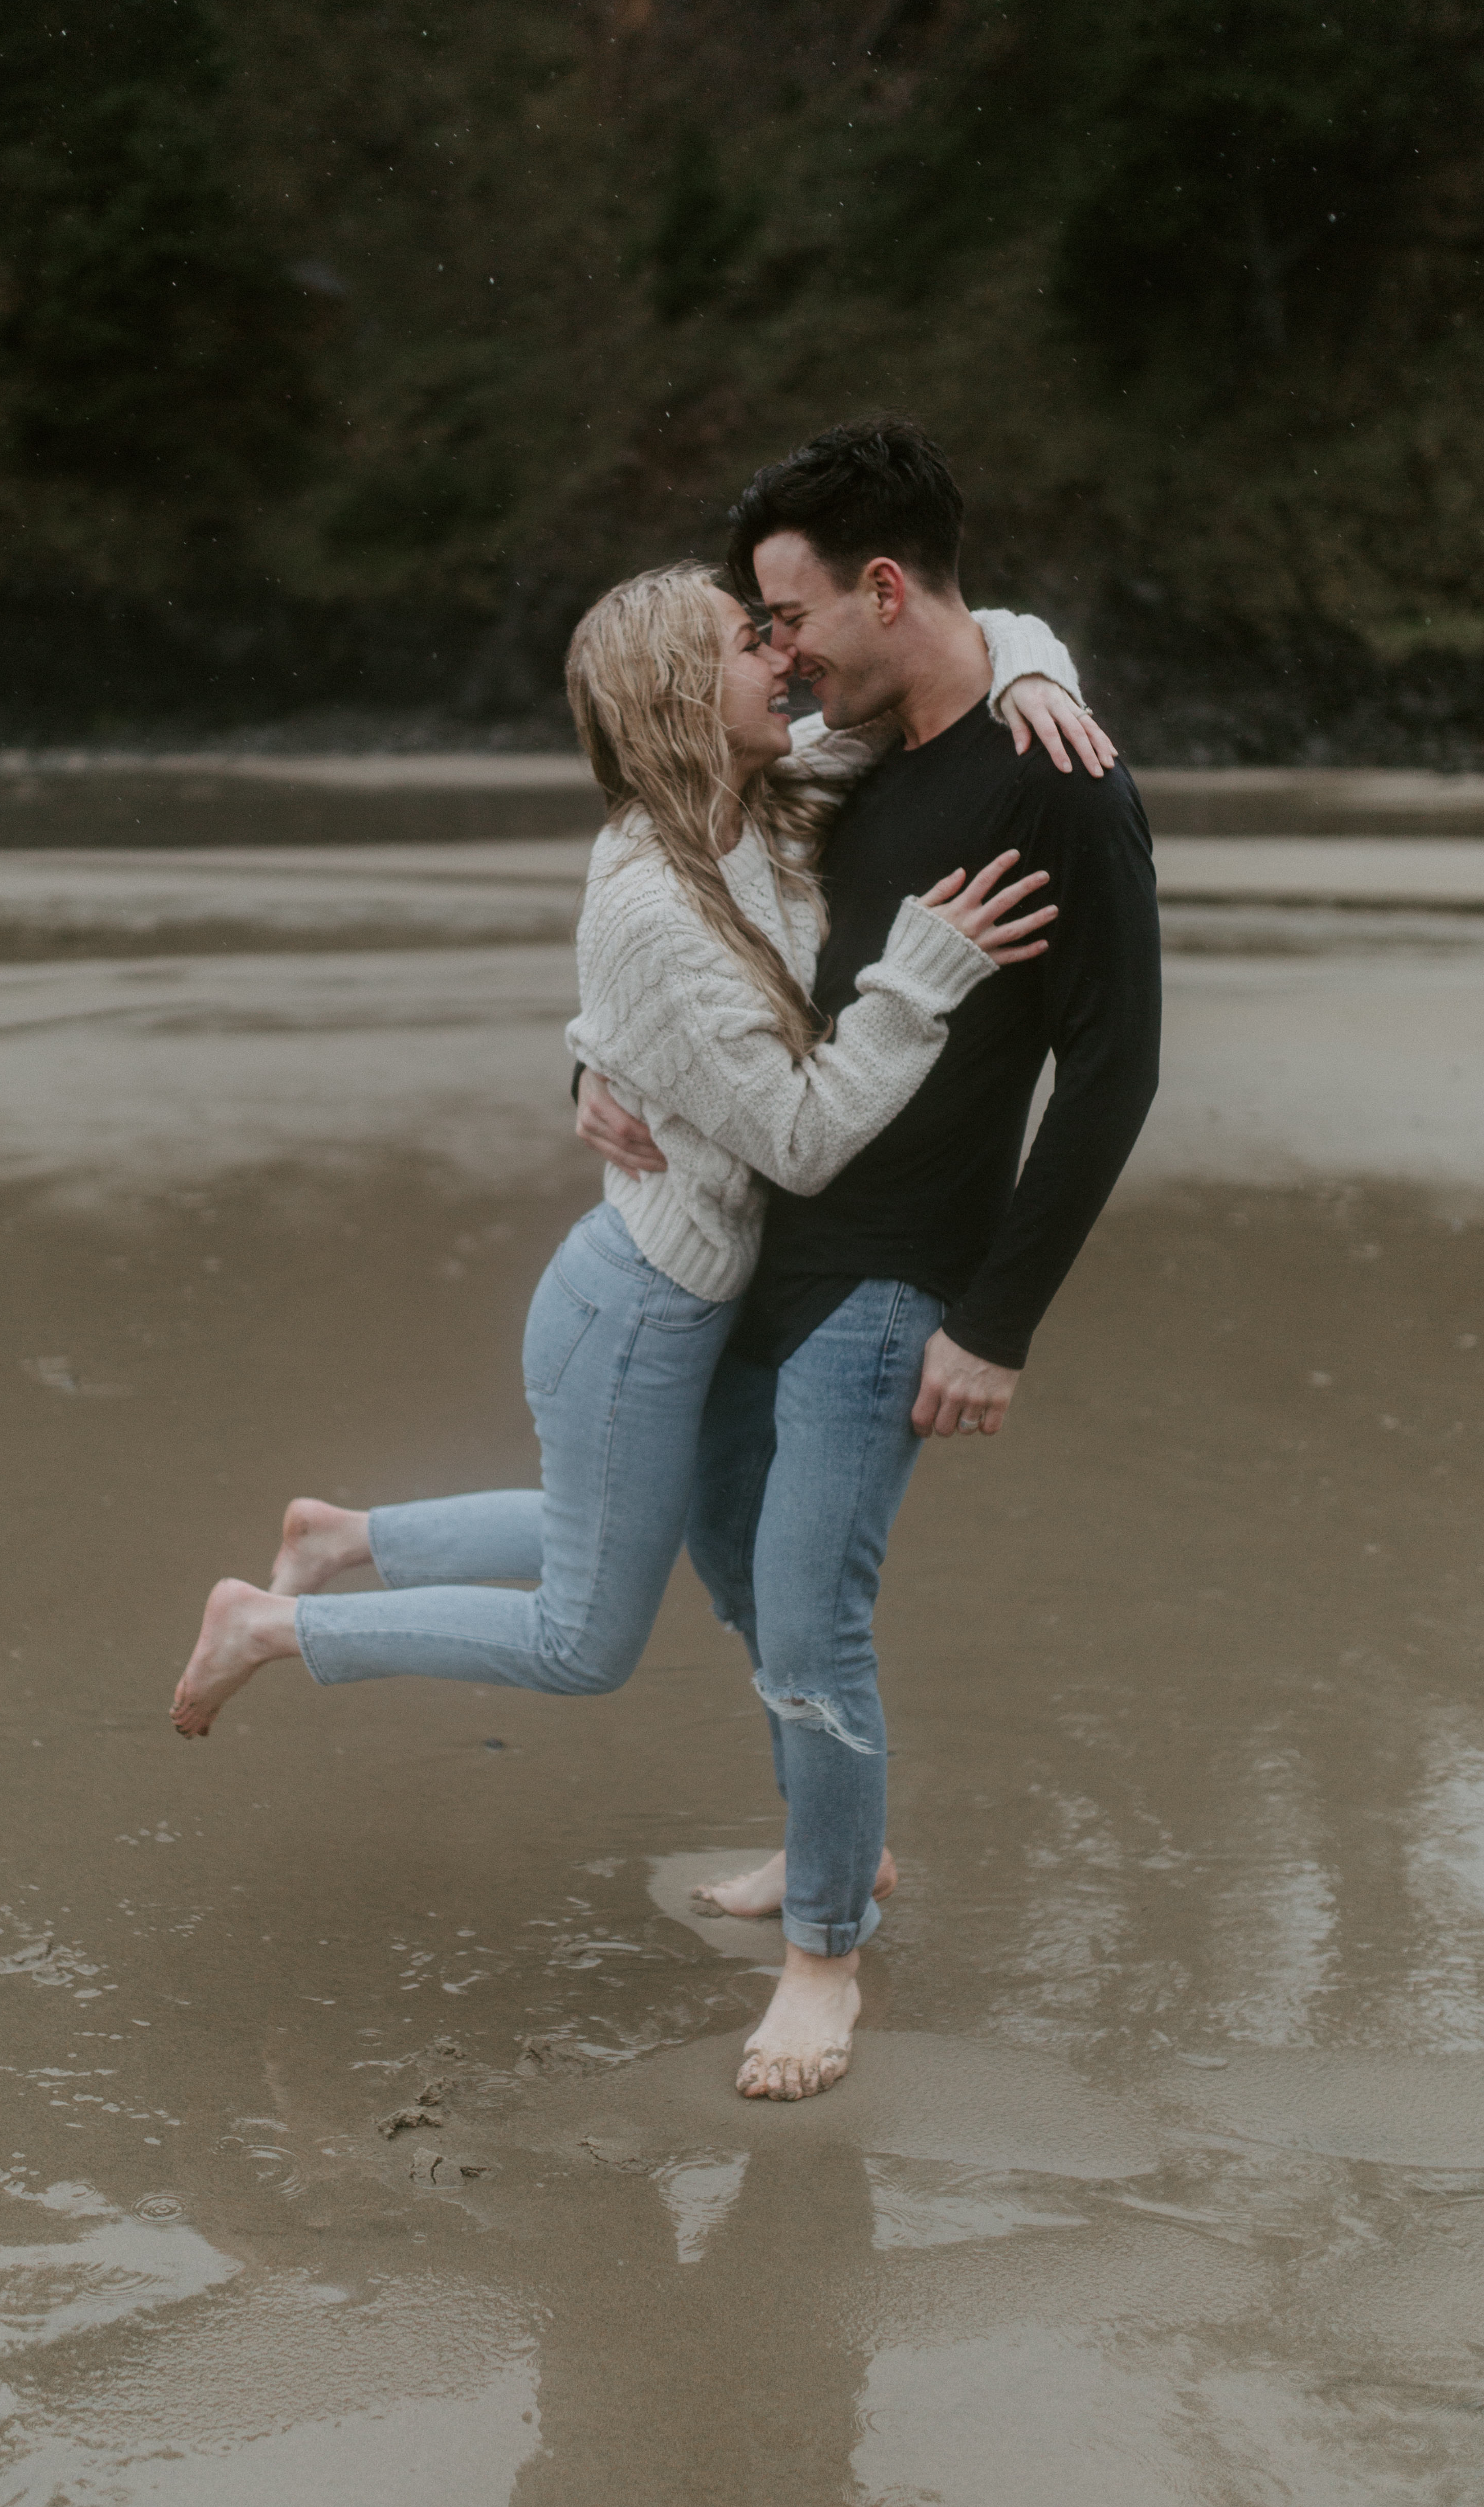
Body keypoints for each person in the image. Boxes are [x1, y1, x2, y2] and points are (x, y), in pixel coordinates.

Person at [168, 566, 1099, 1840]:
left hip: (667, 1292)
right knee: (581, 1638)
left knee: (605, 1528)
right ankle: (272, 1621)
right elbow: (800, 1137)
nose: (784, 655)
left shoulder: (759, 801)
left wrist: (1038, 668)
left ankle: (342, 1534)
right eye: (747, 642)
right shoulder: (656, 893)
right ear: (677, 694)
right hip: (637, 1311)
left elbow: (944, 646)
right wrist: (914, 983)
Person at [577, 417, 1162, 2102]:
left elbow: (1109, 1068)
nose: (774, 653)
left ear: (880, 586)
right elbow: (684, 911)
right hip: (763, 1233)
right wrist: (586, 1059)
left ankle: (822, 1954)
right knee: (727, 1553)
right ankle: (834, 1838)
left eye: (786, 616)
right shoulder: (851, 754)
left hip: (897, 1275)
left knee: (810, 1617)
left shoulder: (1057, 778)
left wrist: (996, 1323)